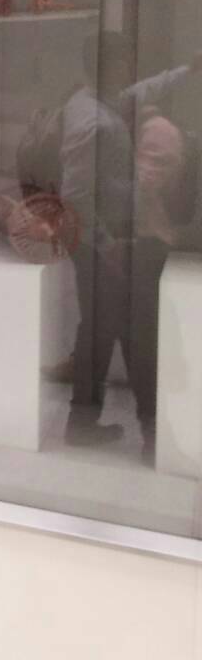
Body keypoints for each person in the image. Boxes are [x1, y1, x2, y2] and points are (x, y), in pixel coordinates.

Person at [61, 31, 200, 449]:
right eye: (123, 62)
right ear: (109, 66)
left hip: (109, 243)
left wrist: (188, 71)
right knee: (119, 334)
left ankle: (89, 425)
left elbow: (142, 91)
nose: (130, 70)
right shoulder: (93, 120)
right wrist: (109, 247)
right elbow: (75, 195)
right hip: (100, 246)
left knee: (105, 333)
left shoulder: (97, 101)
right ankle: (142, 428)